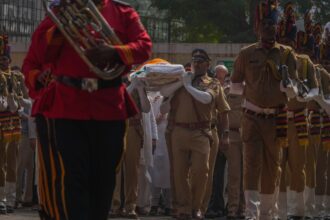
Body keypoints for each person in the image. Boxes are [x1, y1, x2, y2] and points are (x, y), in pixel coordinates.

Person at [22, 1, 152, 220]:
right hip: (68, 107)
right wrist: (60, 28)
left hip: (109, 106)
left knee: (104, 178)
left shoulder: (123, 12)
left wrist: (114, 52)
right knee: (73, 177)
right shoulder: (59, 12)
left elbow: (144, 47)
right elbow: (40, 55)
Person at [230, 1, 298, 219]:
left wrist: (286, 87)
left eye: (272, 24)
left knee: (273, 165)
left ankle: (268, 213)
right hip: (251, 118)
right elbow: (235, 85)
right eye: (264, 24)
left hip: (276, 118)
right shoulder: (246, 53)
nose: (268, 27)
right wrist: (251, 98)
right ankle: (252, 212)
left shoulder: (287, 54)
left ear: (277, 27)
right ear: (258, 28)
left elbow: (295, 90)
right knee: (251, 164)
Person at [161, 49, 224, 220]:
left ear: (207, 64)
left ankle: (198, 207)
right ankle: (184, 207)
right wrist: (182, 83)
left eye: (201, 60)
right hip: (179, 131)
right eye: (194, 59)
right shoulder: (181, 81)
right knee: (179, 172)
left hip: (201, 132)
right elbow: (164, 95)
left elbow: (206, 99)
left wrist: (188, 86)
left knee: (200, 171)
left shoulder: (213, 83)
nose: (196, 62)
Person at [0, 31, 29, 214]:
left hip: (15, 125)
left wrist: (19, 105)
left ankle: (10, 199)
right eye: (1, 58)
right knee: (0, 163)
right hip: (1, 124)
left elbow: (26, 99)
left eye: (5, 58)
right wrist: (6, 103)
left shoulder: (18, 77)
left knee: (12, 163)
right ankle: (1, 198)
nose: (4, 61)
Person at [202, 65, 230, 218]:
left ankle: (228, 206)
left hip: (228, 136)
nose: (219, 80)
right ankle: (213, 205)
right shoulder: (212, 89)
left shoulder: (231, 90)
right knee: (214, 174)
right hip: (212, 135)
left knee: (230, 176)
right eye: (217, 77)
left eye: (222, 77)